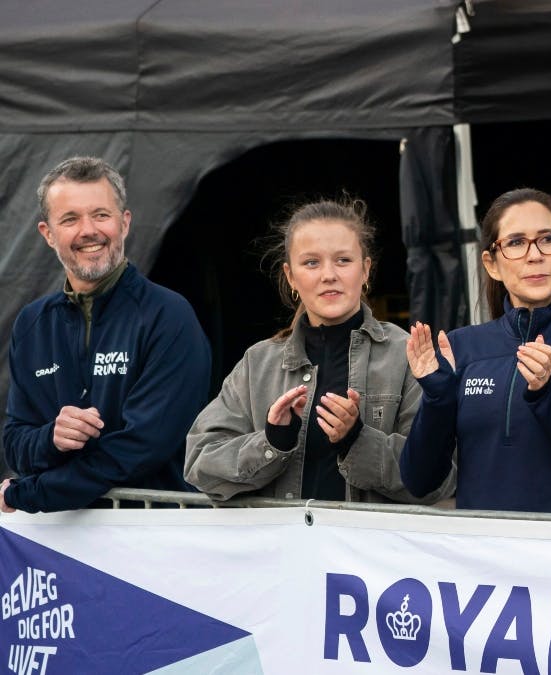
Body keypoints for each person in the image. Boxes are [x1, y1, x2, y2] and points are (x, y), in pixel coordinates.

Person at [185, 199, 452, 503]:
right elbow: (199, 463)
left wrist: (357, 440)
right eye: (311, 262)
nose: (328, 275)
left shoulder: (406, 357)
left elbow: (441, 479)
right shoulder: (257, 363)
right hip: (283, 549)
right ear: (290, 276)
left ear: (365, 270)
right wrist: (272, 442)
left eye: (343, 261)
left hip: (368, 550)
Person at [400, 188, 551, 514]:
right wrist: (437, 399)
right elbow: (419, 481)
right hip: (480, 557)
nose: (534, 255)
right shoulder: (461, 347)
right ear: (491, 264)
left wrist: (545, 396)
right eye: (515, 243)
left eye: (548, 239)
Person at [1, 157, 210, 513]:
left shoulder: (169, 316)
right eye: (70, 219)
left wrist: (28, 493)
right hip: (58, 547)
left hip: (153, 542)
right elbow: (15, 441)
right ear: (48, 234)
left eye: (101, 215)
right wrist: (51, 438)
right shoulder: (32, 324)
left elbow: (142, 448)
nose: (88, 230)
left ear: (124, 223)